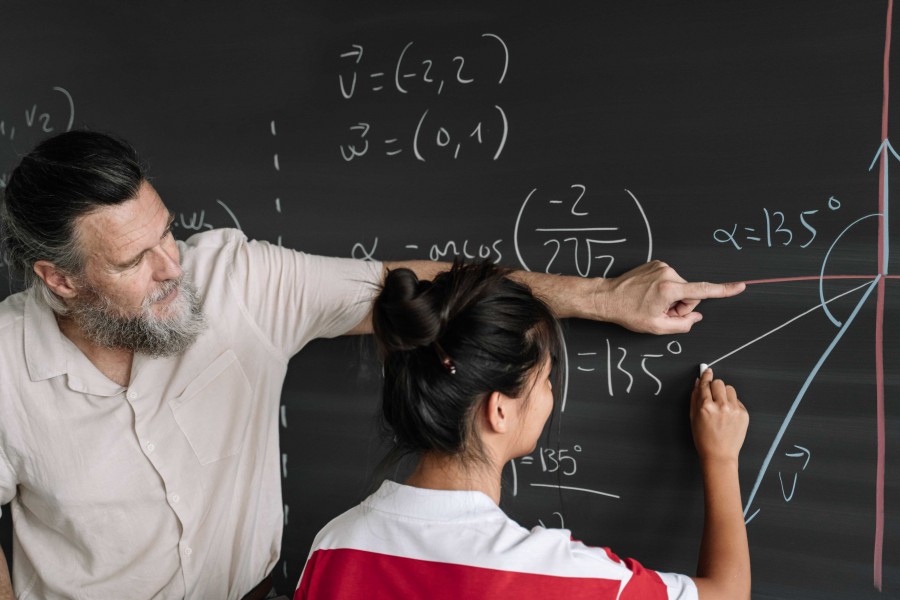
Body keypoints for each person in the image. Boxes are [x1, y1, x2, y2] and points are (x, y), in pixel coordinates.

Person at [0, 130, 745, 600]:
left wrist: (604, 296)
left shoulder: (235, 281)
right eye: (137, 260)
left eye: (170, 232)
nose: (174, 266)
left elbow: (416, 288)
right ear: (58, 278)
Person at [294, 262, 750, 600]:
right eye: (546, 379)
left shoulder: (334, 547)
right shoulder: (553, 574)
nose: (551, 395)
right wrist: (721, 458)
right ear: (500, 411)